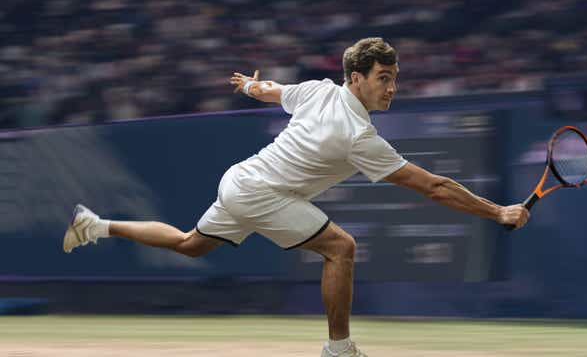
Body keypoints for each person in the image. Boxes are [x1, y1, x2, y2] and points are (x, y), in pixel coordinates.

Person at [62, 37, 530, 357]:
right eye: (383, 77)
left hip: (240, 181)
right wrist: (497, 211)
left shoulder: (315, 91)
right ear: (355, 77)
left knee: (191, 244)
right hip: (261, 190)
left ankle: (95, 224)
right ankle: (339, 349)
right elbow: (434, 186)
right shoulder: (359, 136)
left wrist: (247, 85)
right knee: (340, 247)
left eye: (395, 77)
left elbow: (271, 90)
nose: (392, 87)